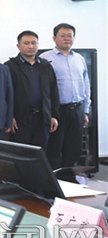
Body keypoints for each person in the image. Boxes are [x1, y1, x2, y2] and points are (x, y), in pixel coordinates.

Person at [39, 23, 90, 168]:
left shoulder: (79, 58)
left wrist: (85, 111)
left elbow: (86, 85)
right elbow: (43, 89)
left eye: (70, 36)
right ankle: (54, 180)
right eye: (63, 36)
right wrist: (50, 113)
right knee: (54, 148)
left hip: (77, 109)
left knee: (74, 148)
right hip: (57, 111)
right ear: (54, 38)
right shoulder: (44, 58)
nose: (67, 39)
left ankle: (70, 177)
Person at [5, 31, 59, 150]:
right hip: (20, 120)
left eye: (34, 43)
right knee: (21, 155)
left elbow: (54, 92)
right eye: (26, 43)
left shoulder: (46, 66)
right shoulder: (10, 66)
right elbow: (5, 95)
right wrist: (10, 117)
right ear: (18, 46)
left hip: (42, 119)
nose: (31, 46)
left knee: (40, 155)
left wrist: (54, 115)